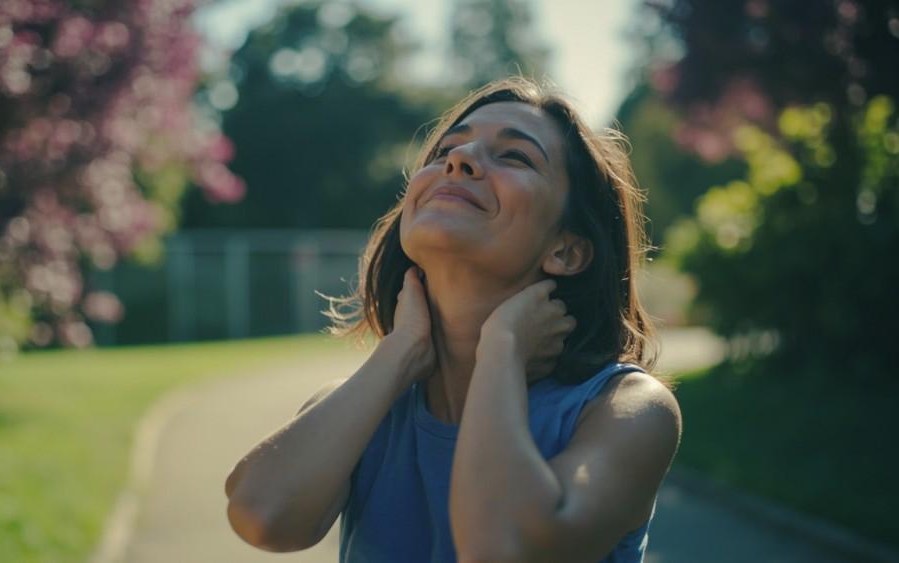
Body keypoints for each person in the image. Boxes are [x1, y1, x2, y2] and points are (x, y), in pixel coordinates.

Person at [224, 76, 682, 563]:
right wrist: (400, 351)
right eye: (446, 150)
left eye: (514, 156)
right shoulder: (365, 404)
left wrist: (501, 349)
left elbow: (500, 550)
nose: (458, 161)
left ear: (566, 251)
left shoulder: (627, 411)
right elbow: (261, 517)